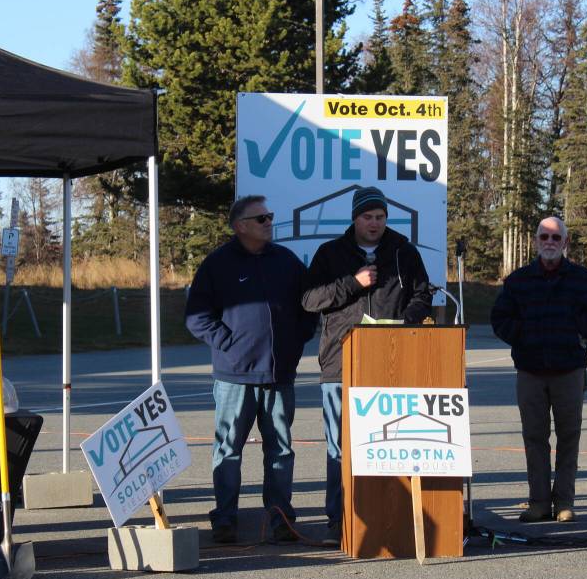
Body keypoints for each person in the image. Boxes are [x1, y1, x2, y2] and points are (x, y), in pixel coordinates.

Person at [302, 186, 432, 545]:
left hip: (392, 362)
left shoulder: (404, 251)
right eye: (368, 217)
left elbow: (423, 293)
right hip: (341, 364)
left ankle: (388, 516)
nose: (374, 223)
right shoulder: (331, 253)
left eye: (380, 217)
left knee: (389, 442)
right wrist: (352, 283)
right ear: (355, 218)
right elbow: (310, 299)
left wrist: (407, 323)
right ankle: (338, 520)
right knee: (340, 448)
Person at [185, 195, 317, 544]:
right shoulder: (217, 264)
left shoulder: (287, 262)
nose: (269, 223)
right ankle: (225, 518)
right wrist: (229, 344)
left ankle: (280, 518)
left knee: (280, 449)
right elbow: (197, 317)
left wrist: (296, 341)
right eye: (261, 218)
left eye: (270, 216)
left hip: (279, 376)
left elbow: (309, 307)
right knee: (229, 448)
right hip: (234, 377)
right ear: (240, 225)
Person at [490, 216, 587, 523]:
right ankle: (539, 503)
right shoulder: (518, 281)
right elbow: (500, 318)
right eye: (544, 236)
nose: (549, 242)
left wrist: (579, 332)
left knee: (569, 437)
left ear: (565, 243)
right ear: (535, 241)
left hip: (569, 370)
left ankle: (564, 503)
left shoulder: (584, 280)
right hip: (530, 371)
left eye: (555, 237)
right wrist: (523, 336)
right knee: (534, 438)